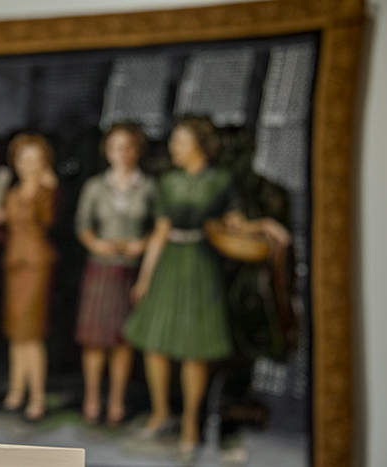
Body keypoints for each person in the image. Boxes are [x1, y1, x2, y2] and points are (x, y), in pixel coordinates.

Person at [124, 116, 289, 454]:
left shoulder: (221, 181)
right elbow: (159, 232)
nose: (174, 148)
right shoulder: (167, 181)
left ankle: (190, 424)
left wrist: (266, 226)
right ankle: (160, 414)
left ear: (200, 146)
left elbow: (235, 224)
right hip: (170, 264)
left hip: (201, 266)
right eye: (173, 142)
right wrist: (144, 278)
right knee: (155, 344)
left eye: (181, 142)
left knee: (194, 350)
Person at [73, 123, 155, 426]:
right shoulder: (96, 186)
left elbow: (158, 227)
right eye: (116, 147)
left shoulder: (146, 186)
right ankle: (92, 397)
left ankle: (117, 402)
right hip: (101, 267)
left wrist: (141, 245)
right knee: (94, 338)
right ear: (107, 151)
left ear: (137, 151)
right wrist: (97, 243)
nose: (122, 153)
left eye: (128, 147)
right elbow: (82, 224)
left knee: (123, 339)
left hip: (130, 271)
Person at [0, 132, 58, 421]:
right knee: (16, 331)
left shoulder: (45, 191)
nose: (28, 164)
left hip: (36, 264)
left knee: (31, 331)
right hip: (14, 263)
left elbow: (49, 221)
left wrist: (50, 189)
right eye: (23, 158)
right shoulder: (12, 192)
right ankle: (16, 390)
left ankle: (36, 396)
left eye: (35, 159)